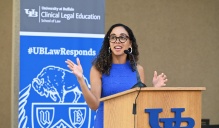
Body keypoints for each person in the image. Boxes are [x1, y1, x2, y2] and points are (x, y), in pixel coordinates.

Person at [65, 23, 168, 128]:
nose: (117, 41)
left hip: (130, 124)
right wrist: (81, 79)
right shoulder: (98, 69)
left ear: (130, 43)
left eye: (122, 37)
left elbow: (141, 105)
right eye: (113, 37)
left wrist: (155, 89)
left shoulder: (138, 70)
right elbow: (94, 105)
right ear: (109, 43)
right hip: (105, 123)